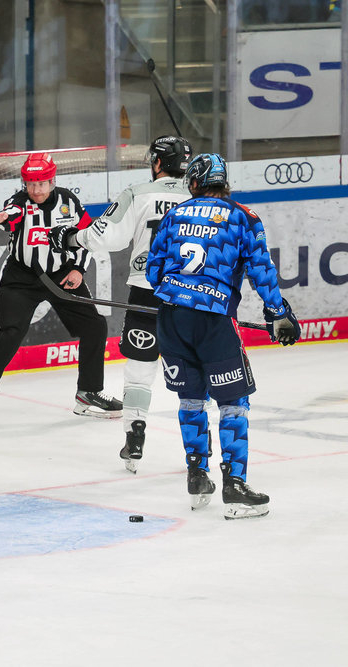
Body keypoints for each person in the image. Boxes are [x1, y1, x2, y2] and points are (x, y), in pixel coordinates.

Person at [146, 153, 301, 519]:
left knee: (190, 398)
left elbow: (153, 272)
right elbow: (261, 270)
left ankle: (197, 476)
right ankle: (234, 485)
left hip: (172, 318)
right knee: (233, 402)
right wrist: (278, 313)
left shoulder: (174, 215)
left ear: (194, 182)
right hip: (214, 321)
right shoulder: (243, 217)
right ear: (223, 182)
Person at [48, 135, 193, 472]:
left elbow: (104, 236)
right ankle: (198, 452)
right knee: (194, 372)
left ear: (158, 162)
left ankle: (135, 437)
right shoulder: (200, 198)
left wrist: (70, 237)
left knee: (140, 372)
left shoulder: (138, 193)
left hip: (147, 292)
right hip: (192, 296)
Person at [0, 152, 122, 422]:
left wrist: (78, 269)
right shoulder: (19, 201)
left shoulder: (68, 201)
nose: (36, 190)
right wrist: (4, 217)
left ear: (52, 181)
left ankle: (89, 392)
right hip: (21, 279)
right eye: (30, 184)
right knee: (11, 334)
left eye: (41, 184)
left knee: (94, 326)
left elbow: (85, 235)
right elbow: (13, 215)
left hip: (61, 275)